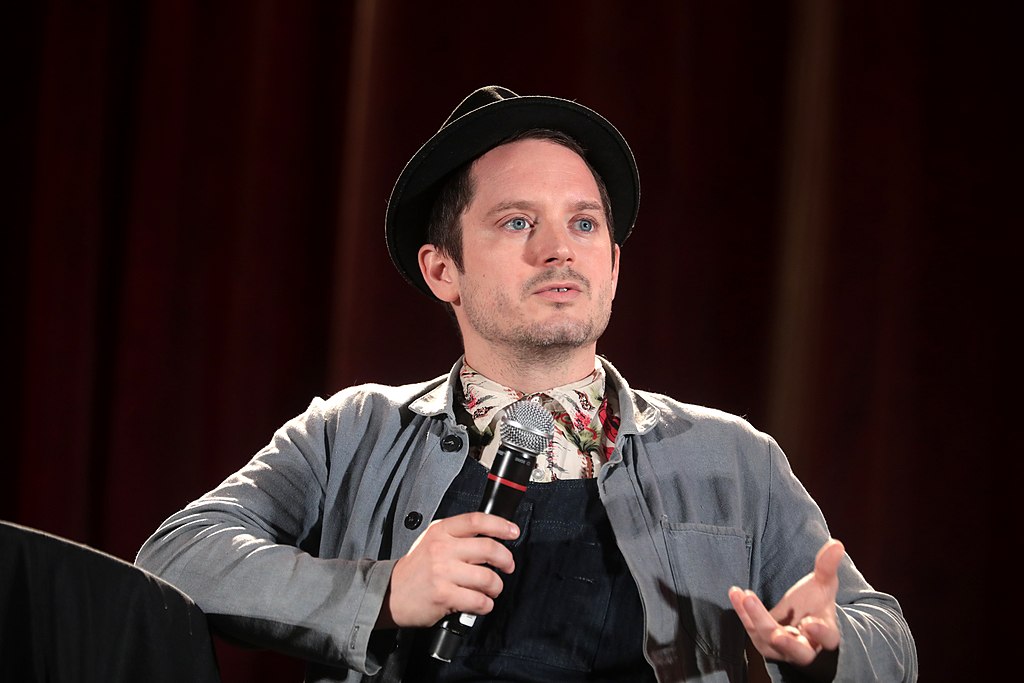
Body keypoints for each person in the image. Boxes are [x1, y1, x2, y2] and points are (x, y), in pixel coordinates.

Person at [136, 86, 917, 682]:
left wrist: (830, 649)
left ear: (612, 265)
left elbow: (887, 634)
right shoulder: (351, 431)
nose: (558, 250)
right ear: (443, 268)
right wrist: (381, 590)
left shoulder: (732, 456)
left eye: (584, 224)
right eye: (516, 222)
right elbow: (178, 556)